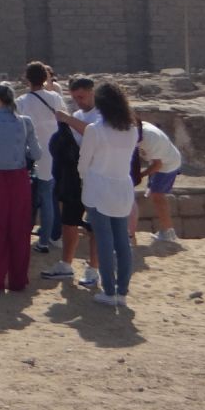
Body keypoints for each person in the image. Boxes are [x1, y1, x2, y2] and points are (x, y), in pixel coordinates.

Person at [78, 82, 140, 307]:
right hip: (122, 188)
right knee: (122, 241)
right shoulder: (132, 129)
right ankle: (122, 292)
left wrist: (87, 178)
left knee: (104, 241)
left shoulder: (95, 130)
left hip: (98, 189)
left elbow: (83, 164)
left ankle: (109, 291)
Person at [0, 84, 41, 293]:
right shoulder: (25, 122)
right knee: (20, 229)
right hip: (19, 178)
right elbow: (37, 153)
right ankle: (17, 280)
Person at [41, 77, 103, 288]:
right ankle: (66, 264)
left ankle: (94, 268)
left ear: (92, 92)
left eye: (82, 97)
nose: (79, 101)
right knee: (69, 221)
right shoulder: (77, 114)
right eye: (75, 97)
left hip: (97, 177)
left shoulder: (102, 114)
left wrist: (68, 120)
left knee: (95, 225)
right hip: (75, 177)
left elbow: (94, 133)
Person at [16, 62, 65, 256]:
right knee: (48, 198)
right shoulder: (55, 98)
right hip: (54, 154)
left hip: (31, 156)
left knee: (30, 199)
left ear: (27, 79)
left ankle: (29, 238)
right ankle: (46, 239)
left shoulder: (21, 101)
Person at [135, 119, 182, 242]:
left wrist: (140, 175)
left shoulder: (150, 137)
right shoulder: (137, 130)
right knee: (154, 195)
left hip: (167, 165)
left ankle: (168, 232)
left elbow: (158, 165)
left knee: (158, 196)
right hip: (158, 162)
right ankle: (168, 230)